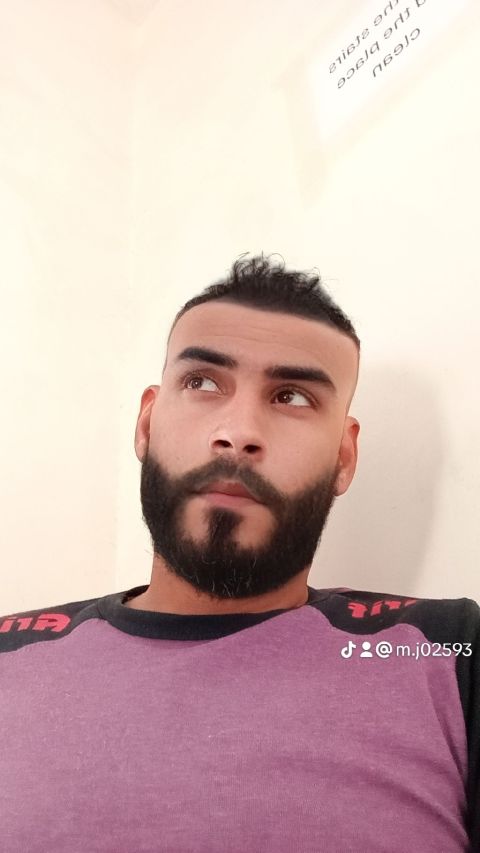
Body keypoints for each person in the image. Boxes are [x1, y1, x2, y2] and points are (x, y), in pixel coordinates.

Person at [1, 253, 478, 852]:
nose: (238, 432)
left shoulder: (449, 649)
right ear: (147, 422)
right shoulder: (9, 653)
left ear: (344, 457)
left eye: (292, 397)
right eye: (202, 383)